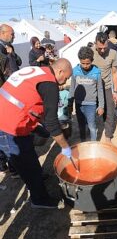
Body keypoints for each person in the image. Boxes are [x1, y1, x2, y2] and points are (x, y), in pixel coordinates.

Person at [0, 58, 73, 209]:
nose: (64, 81)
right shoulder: (50, 84)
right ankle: (39, 199)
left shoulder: (39, 71)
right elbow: (52, 123)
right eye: (65, 77)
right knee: (28, 165)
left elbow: (28, 99)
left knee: (31, 153)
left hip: (10, 114)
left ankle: (36, 177)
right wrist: (65, 147)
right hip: (8, 126)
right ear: (59, 71)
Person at [69, 46, 104, 141]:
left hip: (91, 104)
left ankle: (93, 145)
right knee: (81, 125)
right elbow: (72, 88)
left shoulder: (97, 72)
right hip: (79, 103)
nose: (85, 65)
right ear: (79, 61)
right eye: (82, 63)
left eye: (87, 63)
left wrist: (101, 106)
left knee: (92, 126)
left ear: (92, 60)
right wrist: (70, 104)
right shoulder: (75, 71)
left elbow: (100, 89)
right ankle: (83, 142)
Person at [0, 24, 21, 174]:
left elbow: (18, 62)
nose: (14, 36)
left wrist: (12, 54)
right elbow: (7, 71)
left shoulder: (9, 47)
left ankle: (12, 166)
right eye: (12, 34)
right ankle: (11, 167)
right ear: (2, 33)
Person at [92, 32, 117, 142]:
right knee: (91, 111)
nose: (102, 51)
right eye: (100, 48)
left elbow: (114, 72)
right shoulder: (90, 52)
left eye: (105, 47)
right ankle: (91, 134)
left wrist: (115, 91)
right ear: (95, 44)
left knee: (110, 111)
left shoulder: (113, 53)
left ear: (108, 42)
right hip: (93, 87)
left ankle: (108, 136)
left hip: (107, 86)